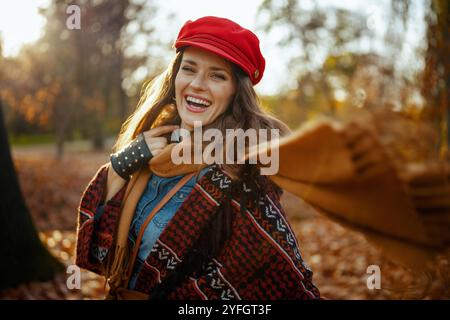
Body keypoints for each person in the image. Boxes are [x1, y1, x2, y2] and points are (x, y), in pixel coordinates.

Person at [76, 16, 321, 300]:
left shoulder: (241, 176)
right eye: (188, 69)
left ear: (235, 93)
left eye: (217, 75)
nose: (197, 84)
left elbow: (289, 285)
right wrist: (119, 167)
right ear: (175, 77)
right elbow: (98, 255)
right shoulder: (151, 154)